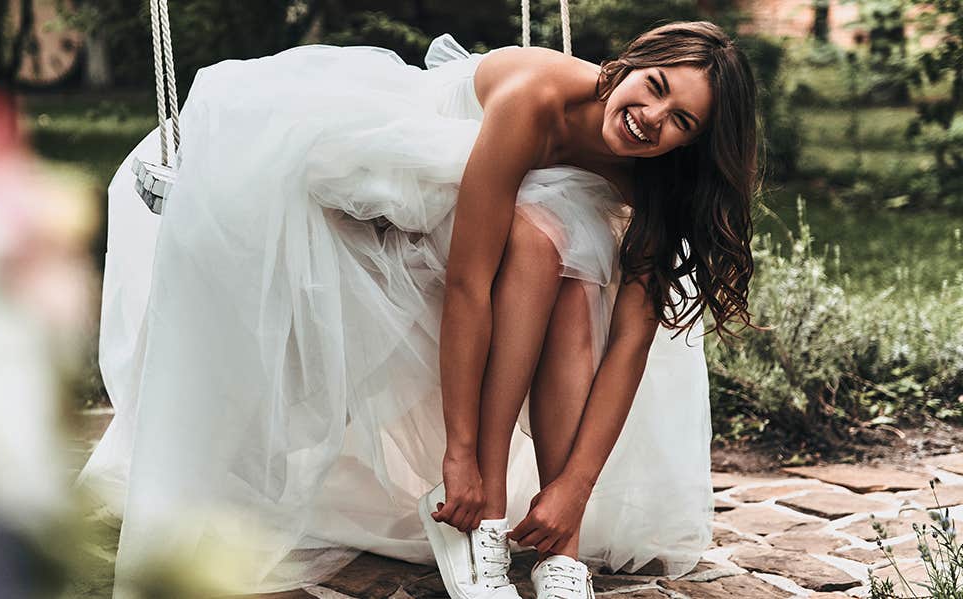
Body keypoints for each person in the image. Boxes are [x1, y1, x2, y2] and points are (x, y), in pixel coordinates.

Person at [77, 19, 760, 599]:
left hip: (540, 201)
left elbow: (630, 350)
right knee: (537, 237)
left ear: (691, 145)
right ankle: (484, 513)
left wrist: (576, 487)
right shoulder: (536, 99)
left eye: (681, 123)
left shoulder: (662, 187)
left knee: (575, 279)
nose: (652, 118)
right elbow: (467, 283)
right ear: (628, 66)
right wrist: (458, 455)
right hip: (434, 163)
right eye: (656, 87)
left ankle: (563, 548)